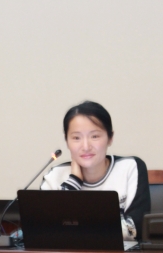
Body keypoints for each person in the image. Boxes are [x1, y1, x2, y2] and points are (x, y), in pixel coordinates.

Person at [41, 101, 151, 240]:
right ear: (67, 141)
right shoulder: (54, 177)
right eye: (76, 138)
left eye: (95, 136)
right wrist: (74, 182)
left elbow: (135, 229)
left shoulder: (130, 168)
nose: (86, 146)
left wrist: (73, 228)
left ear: (110, 138)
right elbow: (47, 231)